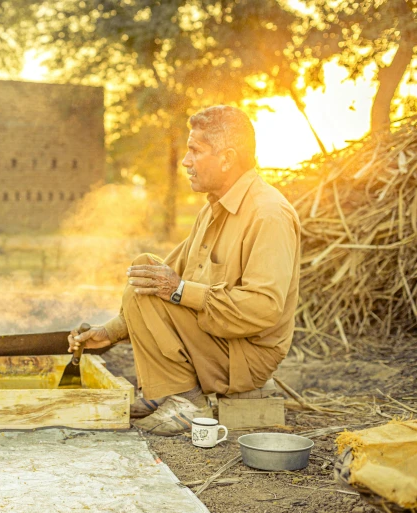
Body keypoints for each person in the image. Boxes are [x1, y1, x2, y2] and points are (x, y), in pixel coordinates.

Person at [69, 105, 301, 436]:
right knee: (145, 271)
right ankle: (162, 391)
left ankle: (187, 402)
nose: (186, 162)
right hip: (213, 338)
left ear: (227, 158)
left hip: (244, 356)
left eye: (195, 151)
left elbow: (263, 309)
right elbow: (160, 283)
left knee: (155, 285)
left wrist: (179, 290)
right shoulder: (212, 209)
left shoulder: (269, 214)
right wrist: (108, 332)